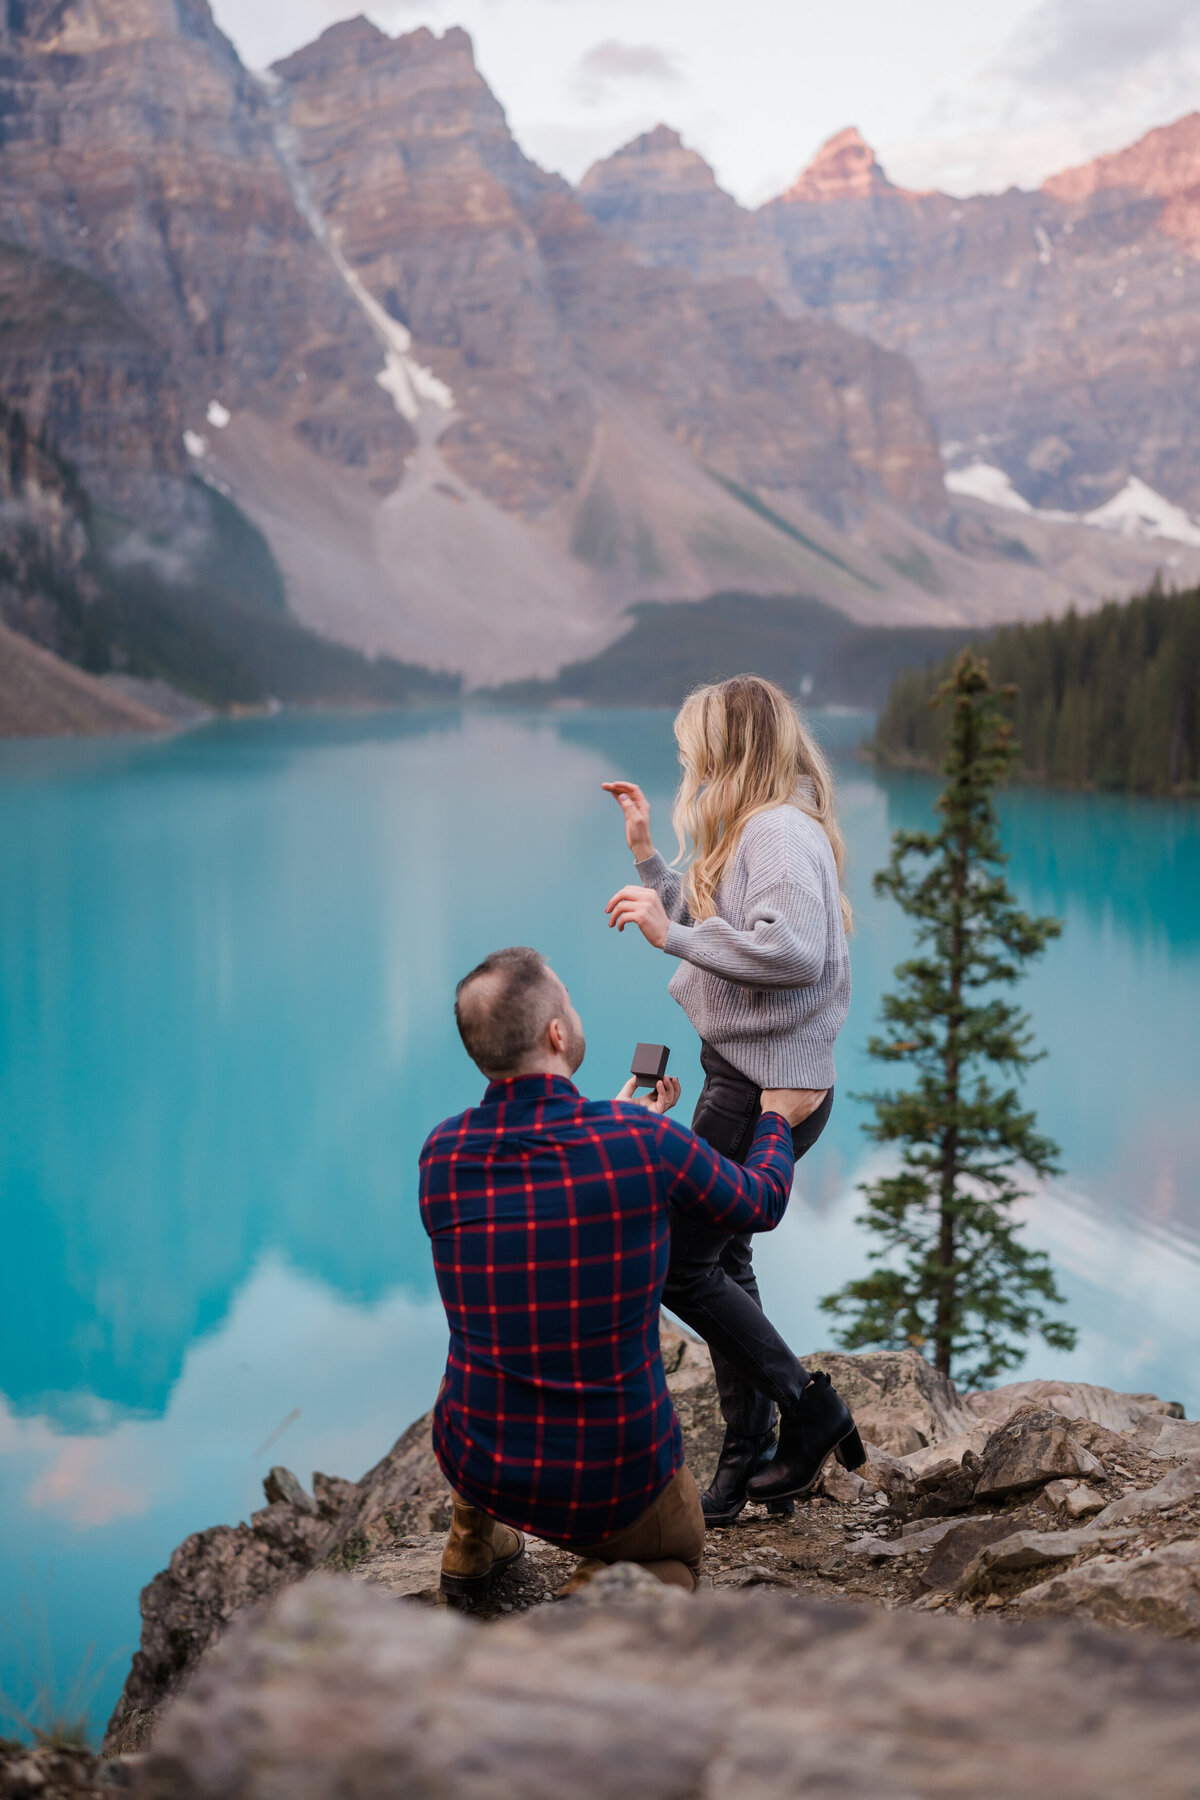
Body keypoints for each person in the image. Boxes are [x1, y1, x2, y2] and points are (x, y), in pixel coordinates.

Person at [419, 944, 827, 1600]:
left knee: (498, 1311)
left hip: (481, 1457)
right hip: (610, 1488)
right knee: (674, 1556)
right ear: (557, 1033)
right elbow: (761, 1202)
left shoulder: (441, 1153)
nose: (574, 1013)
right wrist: (776, 1118)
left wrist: (616, 1121)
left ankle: (474, 1541)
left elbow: (537, 1202)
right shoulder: (640, 1146)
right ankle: (603, 1580)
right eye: (569, 1003)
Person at [603, 675, 861, 1524]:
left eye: (695, 744)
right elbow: (733, 933)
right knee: (727, 1262)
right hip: (748, 1078)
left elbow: (788, 953)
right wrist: (649, 856)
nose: (687, 760)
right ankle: (746, 1464)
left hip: (759, 1091)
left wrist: (668, 933)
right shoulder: (761, 826)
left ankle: (808, 1407)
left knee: (679, 1264)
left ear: (730, 746)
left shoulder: (777, 831)